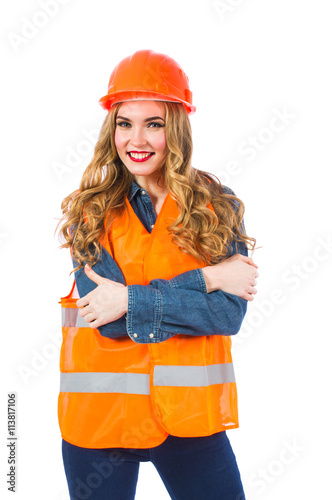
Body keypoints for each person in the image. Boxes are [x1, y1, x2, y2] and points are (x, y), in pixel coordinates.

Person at [57, 49, 258, 500]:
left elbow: (228, 316)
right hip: (99, 424)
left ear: (177, 128)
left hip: (188, 422)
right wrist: (208, 279)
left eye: (154, 123)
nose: (136, 138)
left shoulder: (216, 204)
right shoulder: (88, 212)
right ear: (112, 129)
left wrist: (130, 299)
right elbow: (106, 319)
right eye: (125, 123)